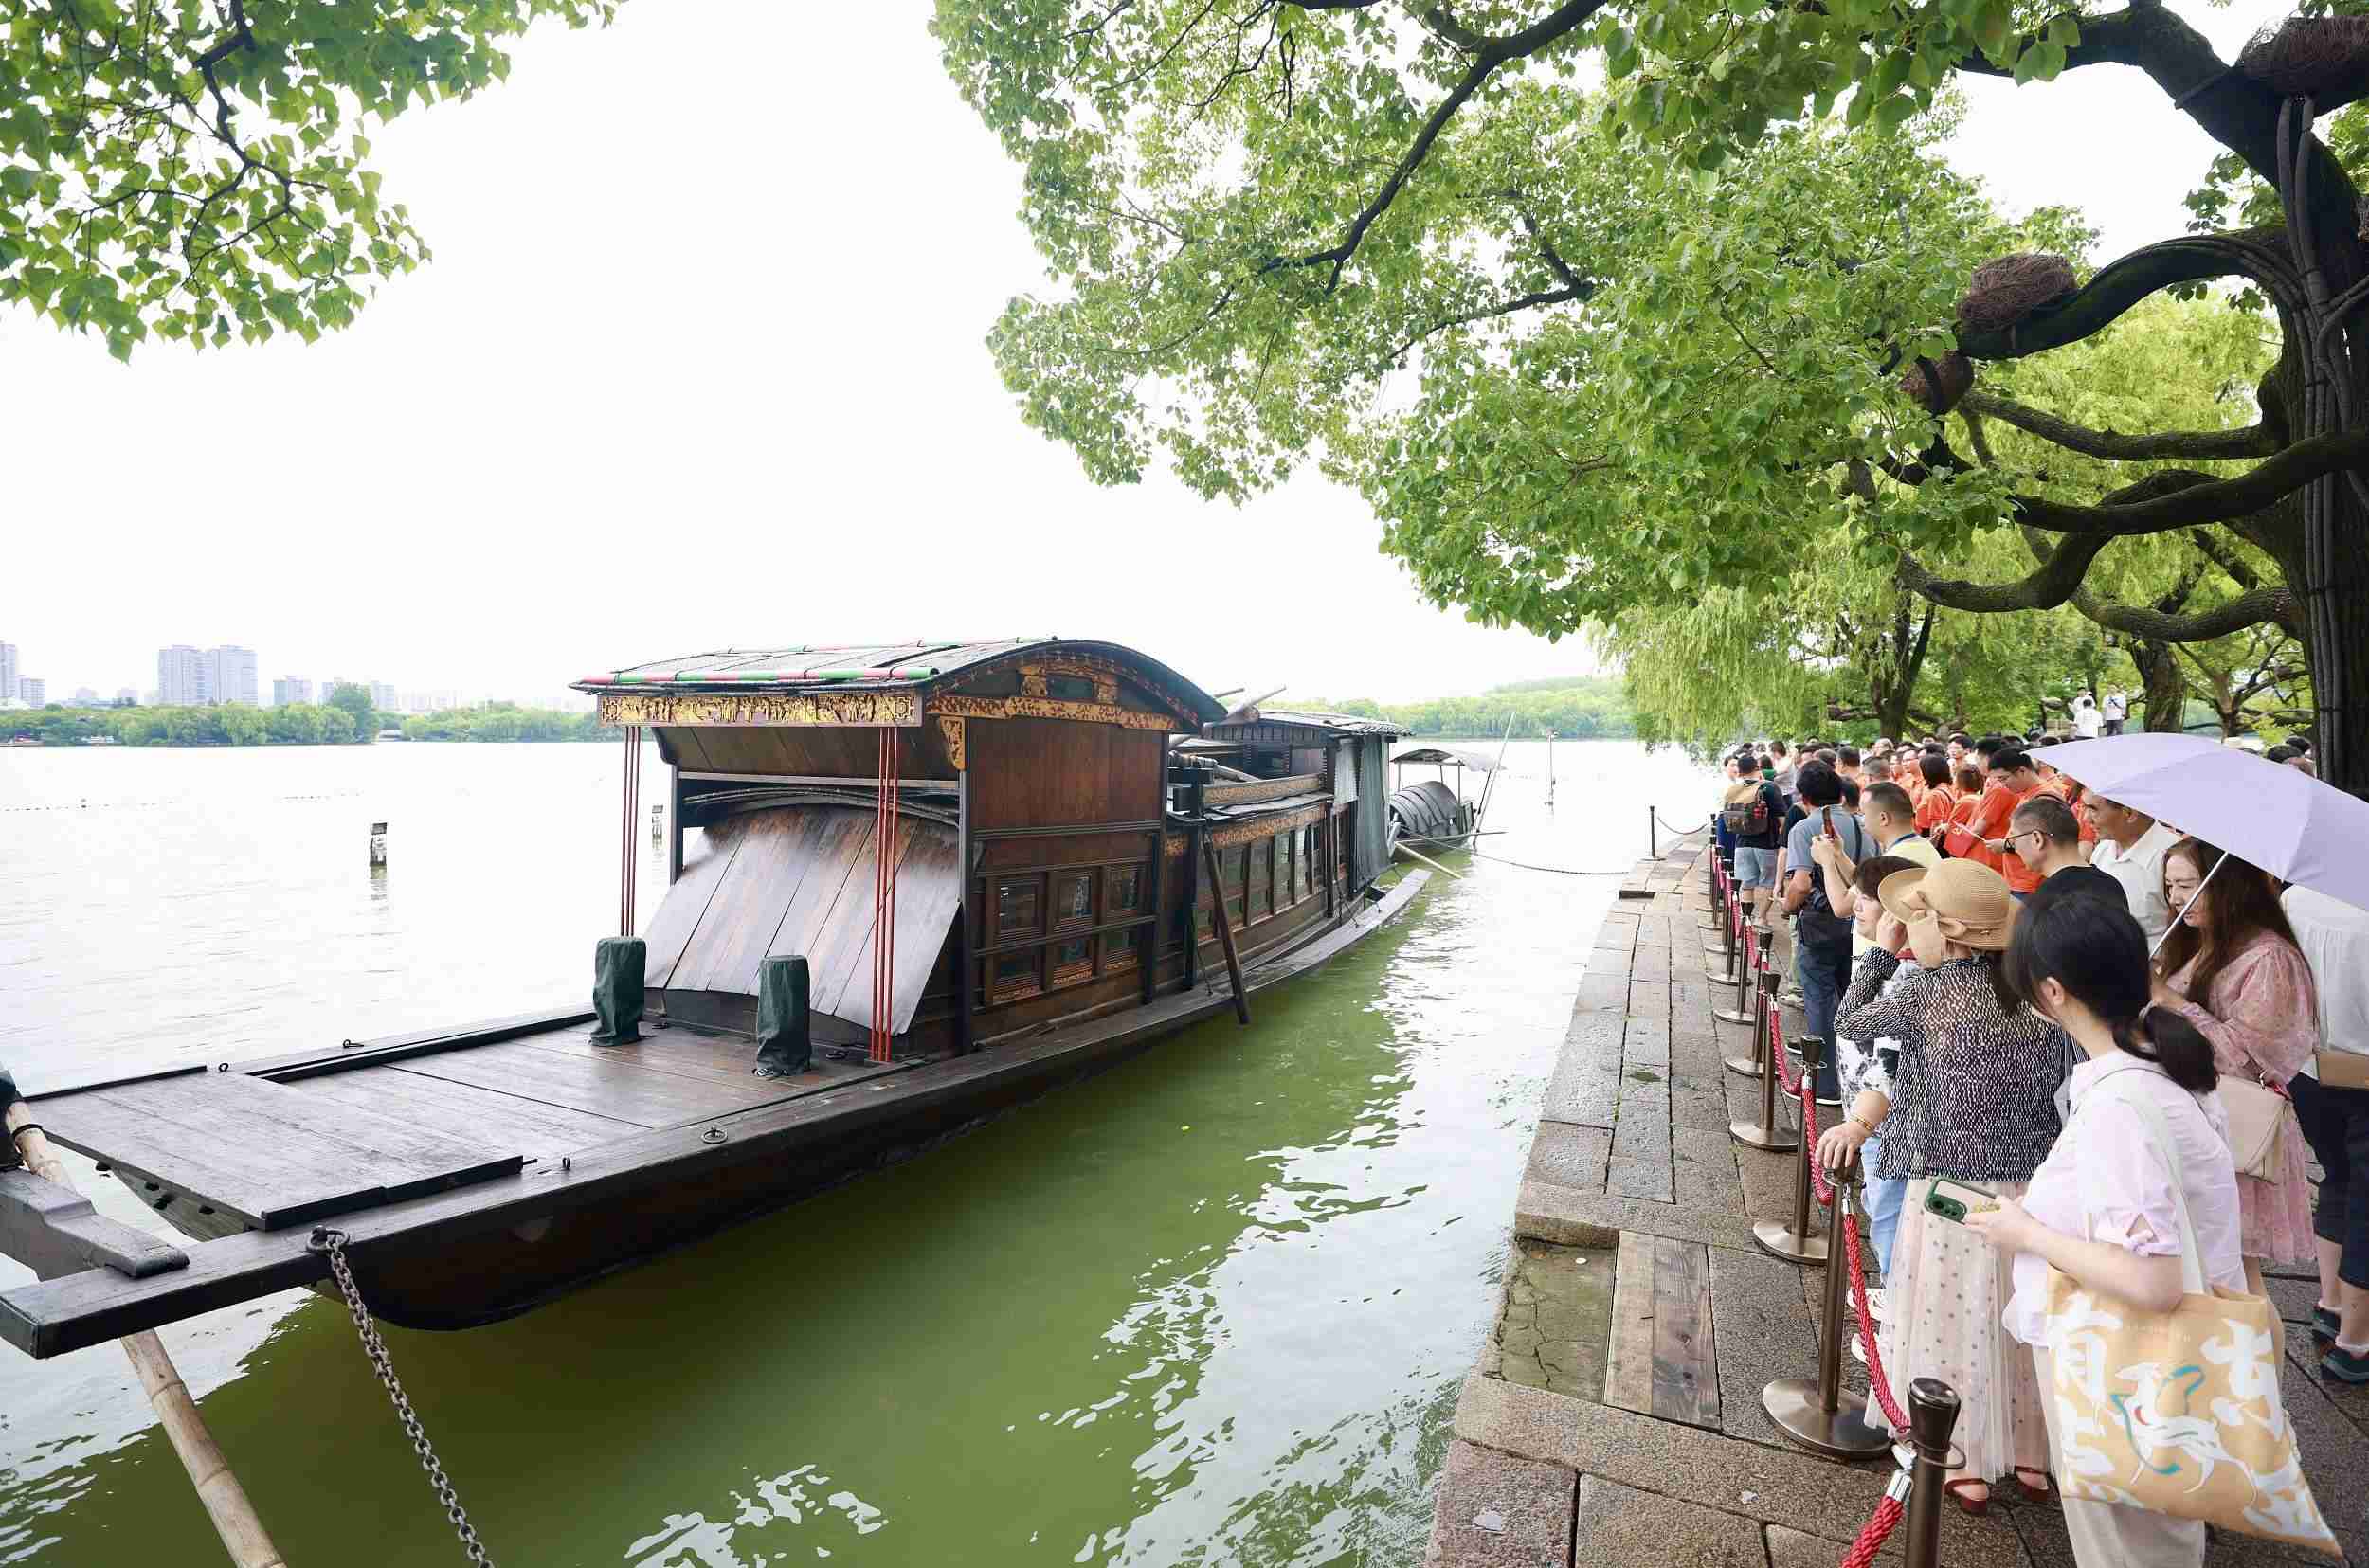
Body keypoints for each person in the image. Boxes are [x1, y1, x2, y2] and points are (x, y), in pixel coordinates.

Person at [1966, 893, 2243, 1567]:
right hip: (2169, 1368)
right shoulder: (2163, 1064)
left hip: (2126, 1366)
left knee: (2126, 1551)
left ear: (2052, 991)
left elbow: (2152, 1278)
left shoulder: (2121, 1102)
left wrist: (2027, 1232)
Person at [1818, 860, 2069, 1510]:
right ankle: (2030, 1451)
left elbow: (1850, 1021)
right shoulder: (2038, 991)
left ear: (1945, 930)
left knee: (1951, 1314)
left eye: (1917, 913)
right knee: (2018, 1310)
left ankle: (1962, 1457)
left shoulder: (1928, 989)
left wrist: (1882, 951)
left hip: (1949, 1181)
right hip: (2028, 1185)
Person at [2153, 838, 2320, 1291]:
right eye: (2170, 886)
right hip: (2192, 1119)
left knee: (2239, 1281)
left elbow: (2249, 1059)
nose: (2176, 898)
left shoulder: (2270, 959)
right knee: (2205, 1275)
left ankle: (2256, 1363)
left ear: (2226, 885)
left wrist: (2171, 1001)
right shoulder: (2195, 943)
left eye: (2188, 884)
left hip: (2236, 1128)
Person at [2283, 885, 2369, 1381]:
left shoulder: (2298, 898)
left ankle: (2329, 1304)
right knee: (2364, 1195)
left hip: (2310, 1067)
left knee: (2336, 1176)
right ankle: (2355, 1343)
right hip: (2363, 1071)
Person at [1831, 854, 1924, 1273]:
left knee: (1890, 1221)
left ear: (1896, 913)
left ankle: (1892, 1319)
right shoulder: (1891, 965)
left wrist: (1860, 1125)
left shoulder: (1903, 975)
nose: (1855, 903)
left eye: (1866, 897)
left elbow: (1889, 1063)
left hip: (1885, 1125)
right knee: (1883, 1208)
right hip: (1874, 1120)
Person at [1785, 762, 1872, 1099]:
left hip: (1820, 925)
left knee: (1819, 999)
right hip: (1858, 923)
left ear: (1804, 797)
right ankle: (1854, 1075)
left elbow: (1801, 884)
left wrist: (1787, 906)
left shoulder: (1804, 829)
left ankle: (1823, 1083)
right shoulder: (1861, 825)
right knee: (1853, 1000)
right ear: (1840, 793)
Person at [2083, 794, 2179, 947]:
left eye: (2093, 809)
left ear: (2129, 813)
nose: (2085, 818)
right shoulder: (2102, 850)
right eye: (2084, 807)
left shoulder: (2173, 857)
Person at [2005, 795, 2122, 917]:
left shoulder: (2049, 902)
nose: (2015, 847)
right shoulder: (2111, 884)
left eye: (2014, 839)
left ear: (2037, 839)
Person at [1727, 750, 1785, 932]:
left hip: (1741, 842)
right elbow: (1782, 818)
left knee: (1747, 883)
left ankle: (1746, 919)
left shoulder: (1734, 789)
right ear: (1757, 768)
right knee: (1769, 882)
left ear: (1740, 771)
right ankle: (1761, 917)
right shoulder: (1769, 787)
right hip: (1766, 843)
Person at [1912, 753, 1957, 838]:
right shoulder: (1946, 786)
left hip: (1933, 835)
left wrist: (1932, 846)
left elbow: (1936, 823)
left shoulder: (1935, 795)